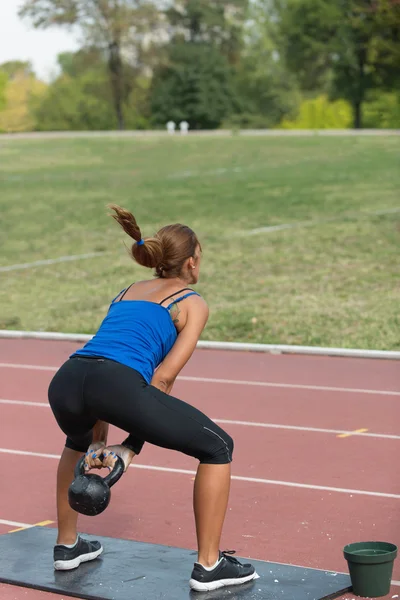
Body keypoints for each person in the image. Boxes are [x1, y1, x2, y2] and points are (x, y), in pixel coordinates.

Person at [47, 205, 257, 592]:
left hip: (66, 380)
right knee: (217, 447)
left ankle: (67, 546)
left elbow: (101, 368)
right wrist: (130, 446)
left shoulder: (126, 291)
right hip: (113, 384)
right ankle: (210, 567)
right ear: (192, 263)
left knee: (77, 445)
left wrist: (98, 441)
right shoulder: (192, 302)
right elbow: (161, 379)